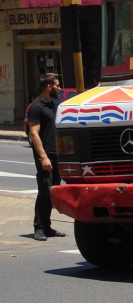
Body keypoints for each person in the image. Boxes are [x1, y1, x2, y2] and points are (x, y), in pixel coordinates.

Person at [28, 73, 66, 241]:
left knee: (53, 191)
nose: (59, 88)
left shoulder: (53, 106)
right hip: (44, 155)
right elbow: (34, 134)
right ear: (49, 87)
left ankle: (47, 225)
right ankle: (39, 227)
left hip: (56, 154)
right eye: (57, 85)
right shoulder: (37, 107)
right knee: (44, 190)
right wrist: (43, 157)